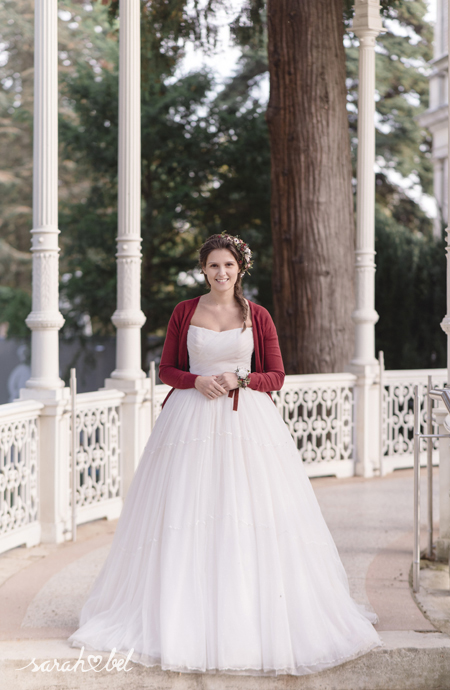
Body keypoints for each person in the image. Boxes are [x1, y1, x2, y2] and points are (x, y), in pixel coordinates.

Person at [68, 232, 382, 676]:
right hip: (189, 421)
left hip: (245, 425)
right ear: (204, 269)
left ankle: (247, 618)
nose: (221, 273)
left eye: (228, 266)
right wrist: (195, 380)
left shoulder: (257, 315)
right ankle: (179, 618)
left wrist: (241, 380)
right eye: (213, 266)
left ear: (240, 270)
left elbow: (276, 376)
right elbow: (166, 370)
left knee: (246, 512)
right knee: (186, 512)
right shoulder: (184, 311)